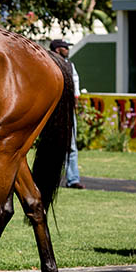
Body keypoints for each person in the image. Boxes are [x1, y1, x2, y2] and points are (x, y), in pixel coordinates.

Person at [50, 39, 86, 189]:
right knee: (52, 144)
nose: (67, 49)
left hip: (67, 109)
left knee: (71, 146)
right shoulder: (49, 63)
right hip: (52, 109)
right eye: (65, 47)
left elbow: (75, 86)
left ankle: (73, 179)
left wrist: (75, 106)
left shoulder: (70, 65)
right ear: (58, 49)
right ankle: (50, 179)